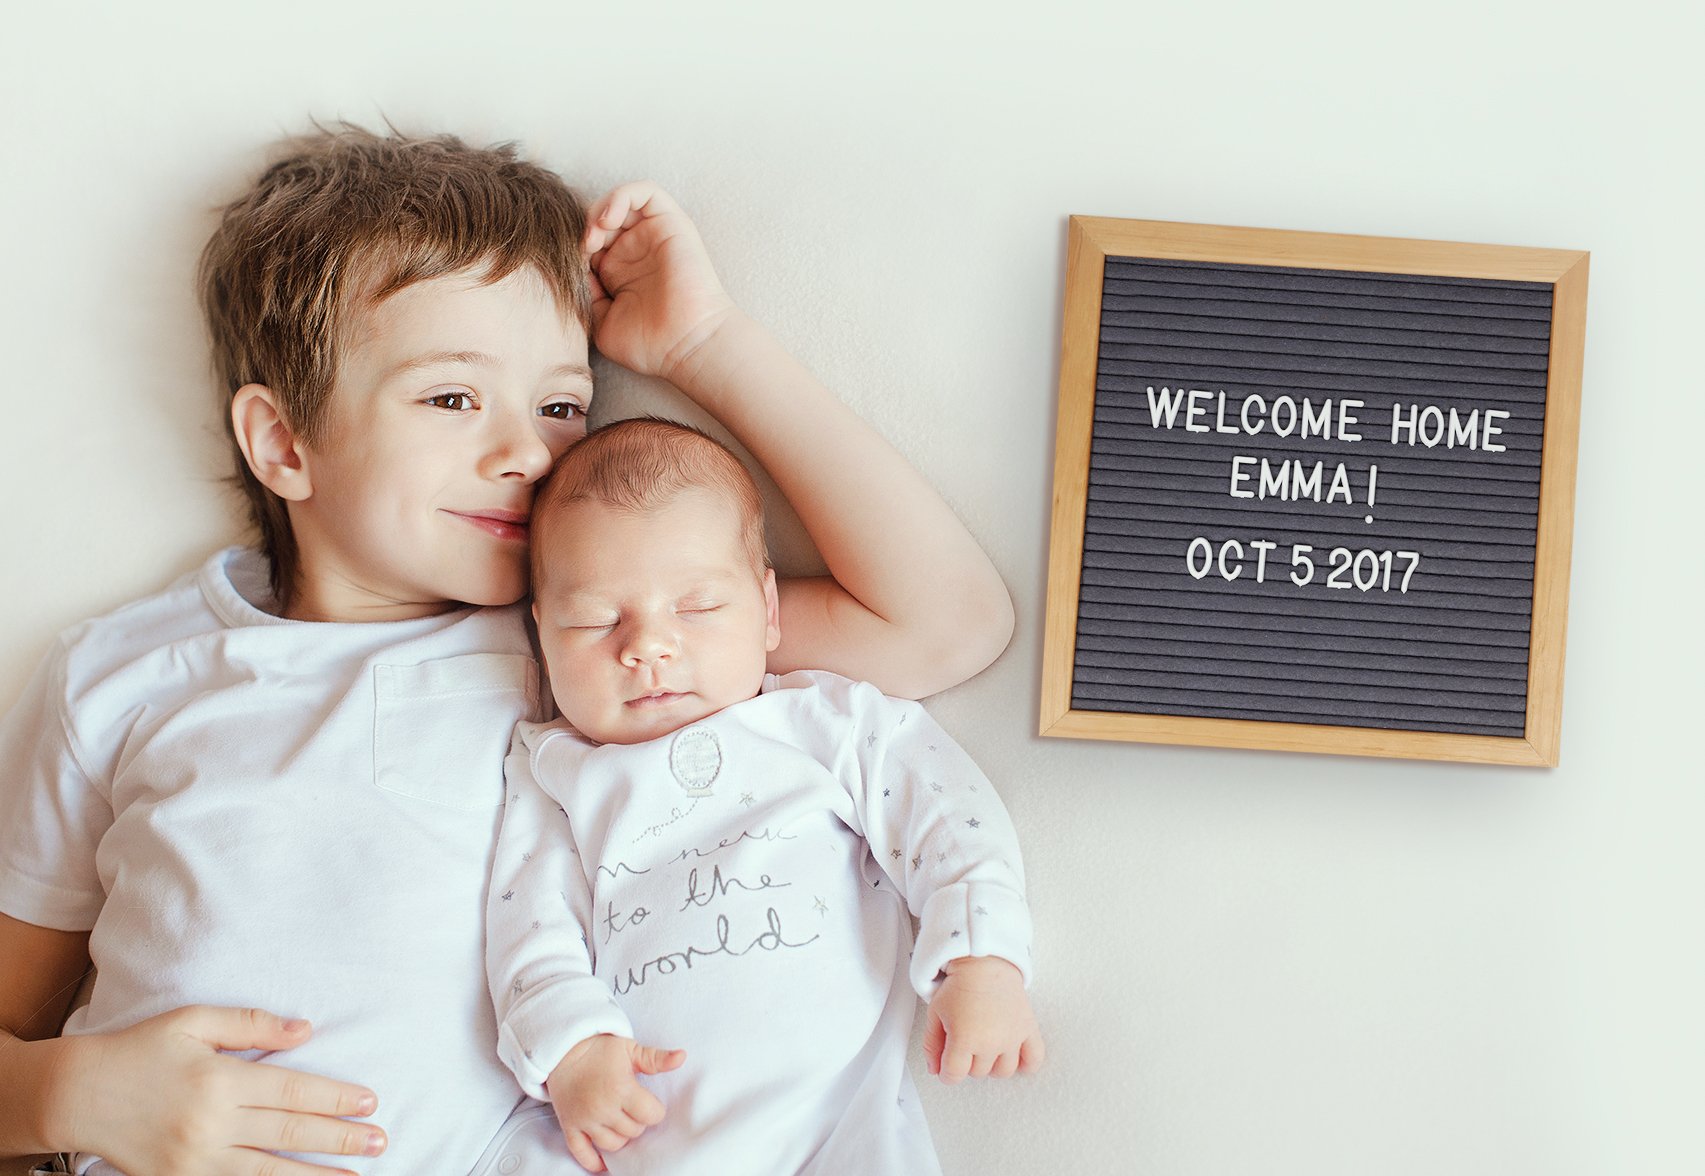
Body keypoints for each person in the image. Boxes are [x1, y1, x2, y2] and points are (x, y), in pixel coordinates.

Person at [0, 126, 1015, 1176]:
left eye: (563, 405)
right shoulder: (117, 680)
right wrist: (61, 1095)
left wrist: (702, 345)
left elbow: (946, 624)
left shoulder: (594, 647)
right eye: (451, 397)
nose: (529, 452)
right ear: (284, 444)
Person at [488, 418, 1044, 1175]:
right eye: (594, 619)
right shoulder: (554, 773)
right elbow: (528, 923)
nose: (647, 647)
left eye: (697, 608)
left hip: (840, 1120)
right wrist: (570, 1048)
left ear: (768, 611)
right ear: (542, 635)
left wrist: (979, 958)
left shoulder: (826, 722)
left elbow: (945, 816)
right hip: (641, 1133)